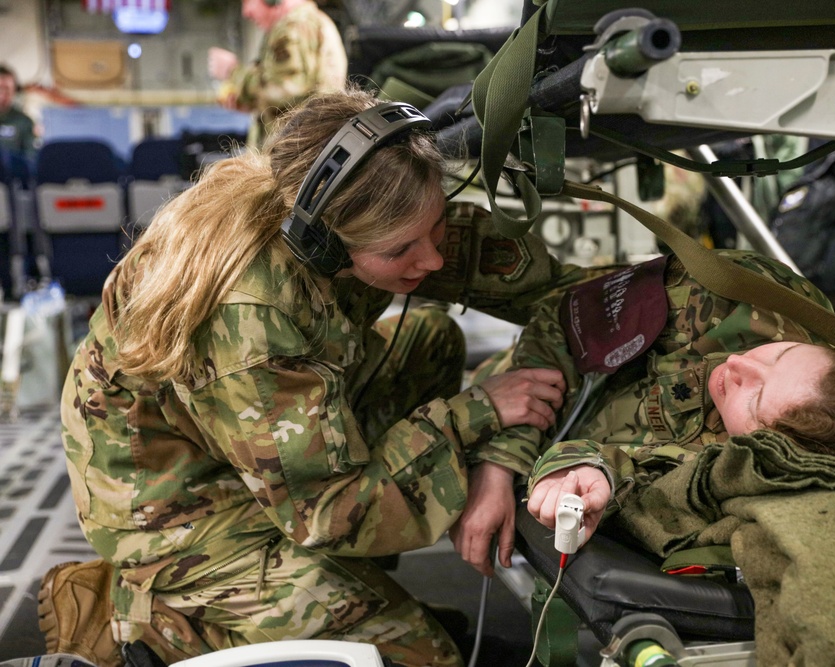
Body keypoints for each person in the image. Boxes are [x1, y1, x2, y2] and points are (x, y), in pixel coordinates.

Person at [41, 87, 569, 667]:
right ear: (322, 244)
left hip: (243, 435)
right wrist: (479, 412)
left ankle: (338, 596)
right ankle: (150, 625)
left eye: (436, 227)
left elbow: (545, 284)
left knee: (430, 341)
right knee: (419, 657)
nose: (432, 261)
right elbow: (328, 513)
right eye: (401, 251)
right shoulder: (251, 317)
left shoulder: (339, 200)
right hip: (179, 504)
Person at [450, 249, 835, 574]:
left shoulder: (737, 466)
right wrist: (500, 465)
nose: (738, 365)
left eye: (754, 401)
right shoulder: (733, 298)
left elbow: (637, 469)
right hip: (517, 383)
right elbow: (560, 317)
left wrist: (580, 468)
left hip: (558, 437)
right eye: (775, 356)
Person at [208, 0, 348, 148]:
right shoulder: (298, 24)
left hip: (295, 152)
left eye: (248, 2)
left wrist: (233, 72)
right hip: (295, 150)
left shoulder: (296, 26)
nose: (245, 12)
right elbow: (288, 97)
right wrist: (250, 101)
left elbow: (284, 88)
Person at [0, 64, 37, 160]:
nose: (2, 96)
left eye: (7, 90)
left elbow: (31, 158)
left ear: (14, 91)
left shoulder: (24, 122)